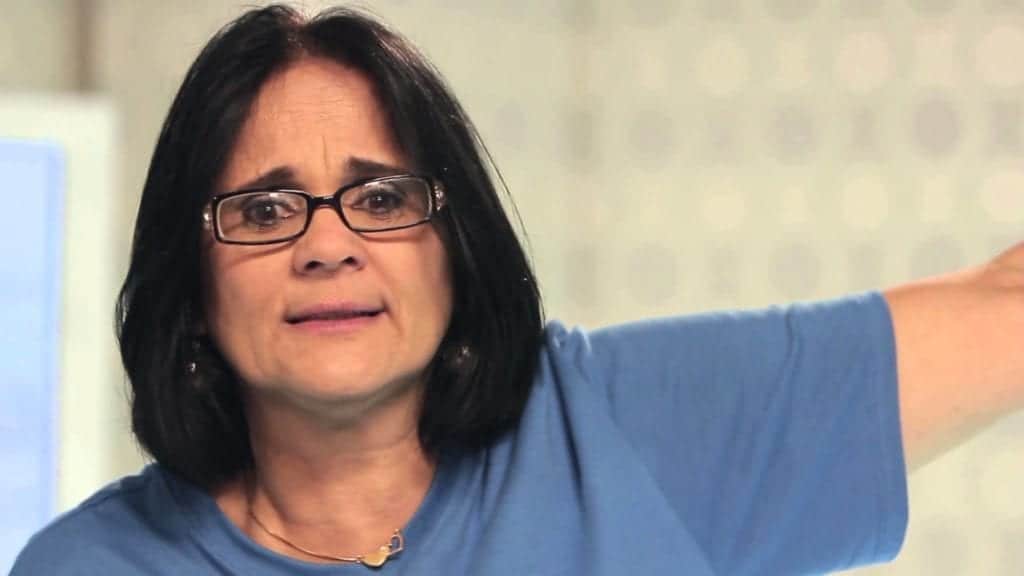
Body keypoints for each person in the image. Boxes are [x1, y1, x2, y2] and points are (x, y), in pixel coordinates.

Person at [11, 4, 1024, 575]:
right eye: (267, 211)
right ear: (191, 283)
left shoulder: (627, 434)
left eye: (381, 196)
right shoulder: (89, 567)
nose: (328, 245)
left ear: (456, 247)